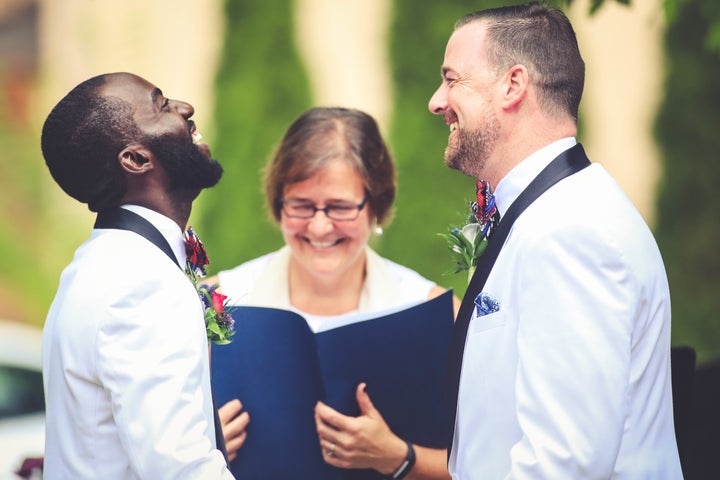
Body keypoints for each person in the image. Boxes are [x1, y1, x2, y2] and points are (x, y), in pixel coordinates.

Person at [428, 2, 683, 479]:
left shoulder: (571, 230)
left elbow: (566, 463)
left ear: (513, 84)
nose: (437, 101)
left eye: (452, 78)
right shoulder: (550, 214)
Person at [209, 106, 458, 479]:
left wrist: (398, 456)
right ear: (278, 203)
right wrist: (200, 452)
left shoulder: (435, 311)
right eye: (301, 206)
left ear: (375, 205)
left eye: (340, 207)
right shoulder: (214, 301)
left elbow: (484, 466)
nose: (320, 227)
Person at [40, 72, 235, 479]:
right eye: (161, 104)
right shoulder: (140, 283)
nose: (185, 108)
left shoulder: (102, 266)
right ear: (136, 159)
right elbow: (180, 469)